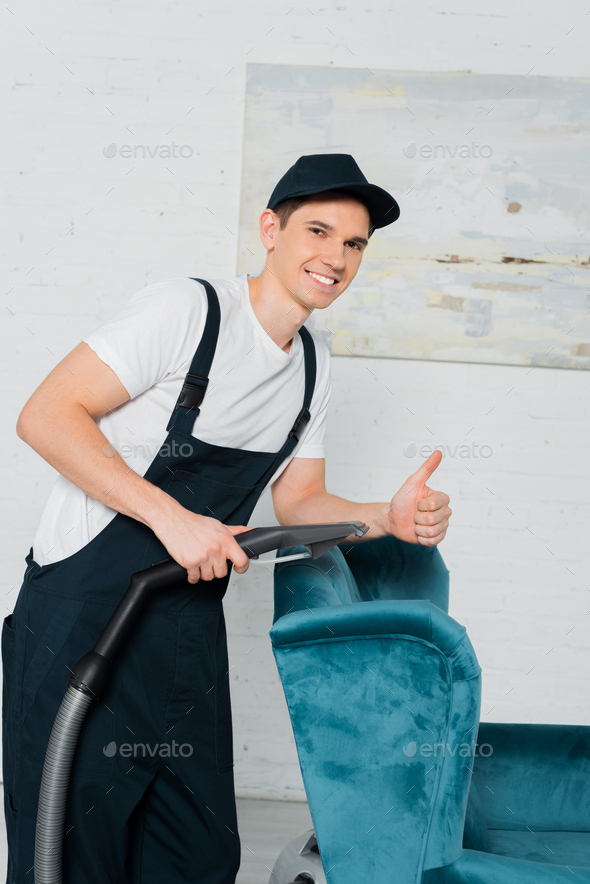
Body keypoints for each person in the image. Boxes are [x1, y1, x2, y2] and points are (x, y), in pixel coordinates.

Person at [2, 153, 452, 883]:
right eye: (319, 230)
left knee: (195, 853)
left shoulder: (312, 362)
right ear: (270, 229)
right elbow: (46, 415)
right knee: (71, 850)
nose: (335, 257)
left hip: (183, 630)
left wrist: (385, 517)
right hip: (81, 619)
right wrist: (172, 517)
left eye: (355, 244)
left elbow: (299, 503)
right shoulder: (188, 311)